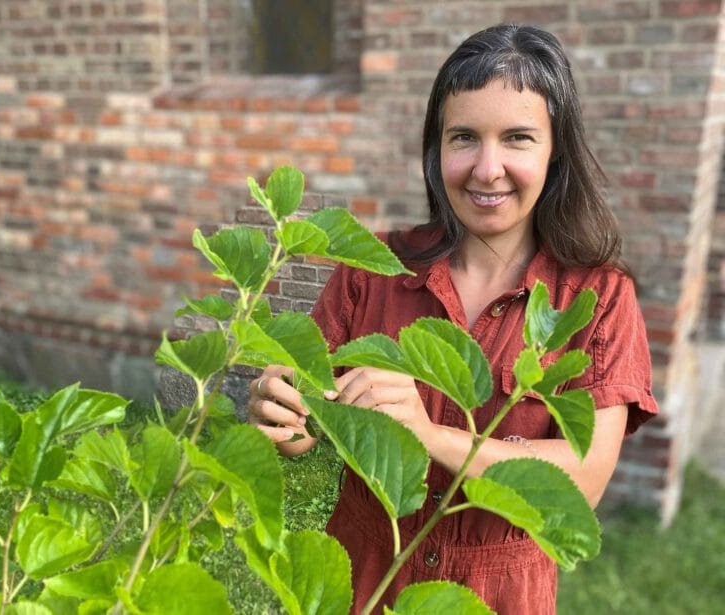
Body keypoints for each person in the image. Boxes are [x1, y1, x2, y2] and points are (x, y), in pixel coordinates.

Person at [247, 23, 658, 614]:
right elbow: (307, 416)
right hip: (365, 578)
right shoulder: (374, 269)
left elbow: (582, 482)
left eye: (517, 138)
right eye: (464, 137)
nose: (486, 168)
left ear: (555, 150)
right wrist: (282, 410)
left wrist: (432, 437)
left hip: (495, 595)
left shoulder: (599, 299)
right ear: (436, 148)